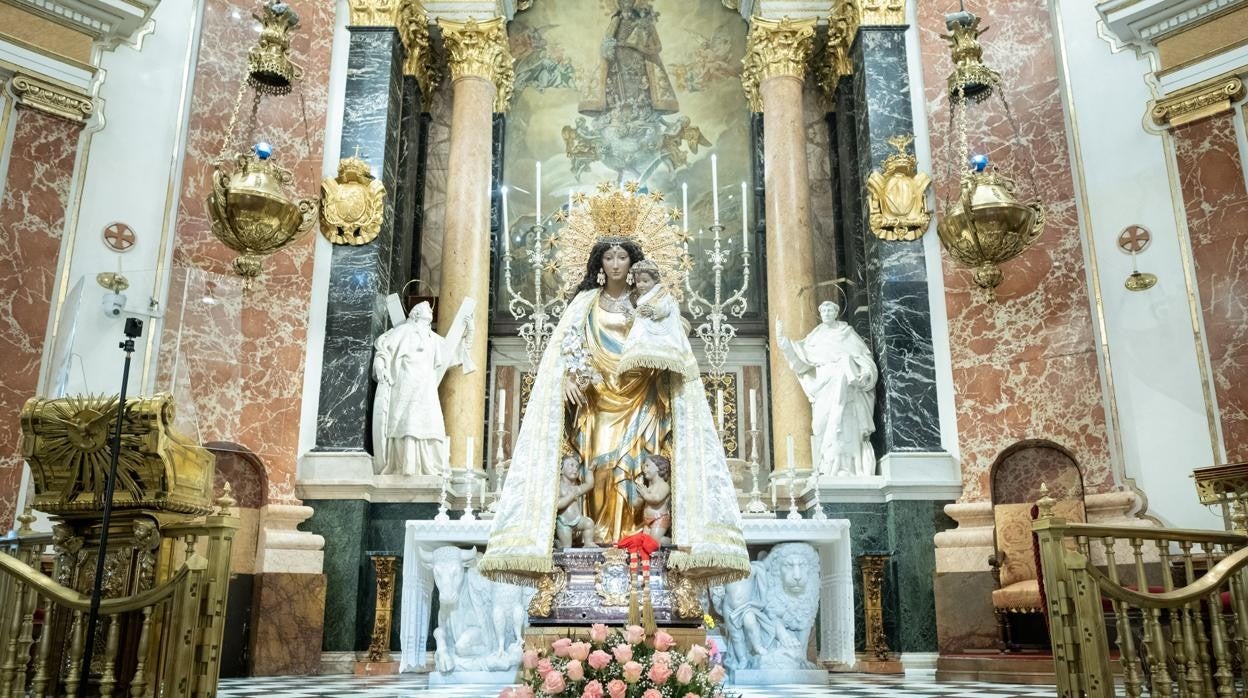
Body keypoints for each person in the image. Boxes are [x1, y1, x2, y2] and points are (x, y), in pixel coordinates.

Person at [480, 189, 748, 586]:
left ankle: (634, 541)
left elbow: (673, 340)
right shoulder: (585, 302)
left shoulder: (649, 302)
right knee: (600, 469)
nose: (617, 263)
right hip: (595, 399)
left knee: (638, 471)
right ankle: (597, 542)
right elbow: (565, 349)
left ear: (634, 262)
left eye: (624, 256)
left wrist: (666, 326)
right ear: (599, 263)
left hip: (642, 398)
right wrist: (568, 377)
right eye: (609, 256)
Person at [371, 301, 473, 476]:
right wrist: (380, 364)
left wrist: (469, 332)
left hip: (425, 387)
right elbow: (383, 349)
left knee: (429, 421)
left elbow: (455, 353)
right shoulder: (403, 331)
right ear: (416, 314)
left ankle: (429, 465)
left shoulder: (432, 337)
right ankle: (403, 464)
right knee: (406, 420)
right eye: (426, 308)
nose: (430, 310)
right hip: (405, 382)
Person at [777, 301, 877, 476]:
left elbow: (865, 358)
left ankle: (846, 467)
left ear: (836, 312)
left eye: (830, 309)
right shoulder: (815, 337)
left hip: (846, 388)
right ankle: (828, 465)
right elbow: (801, 360)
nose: (826, 313)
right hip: (824, 387)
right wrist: (783, 341)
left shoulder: (847, 333)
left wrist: (866, 372)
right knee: (821, 424)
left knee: (844, 425)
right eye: (823, 310)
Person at [578, 0, 679, 116]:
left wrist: (639, 41)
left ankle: (641, 107)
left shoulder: (642, 22)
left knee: (638, 82)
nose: (627, 5)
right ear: (619, 5)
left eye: (629, 3)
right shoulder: (615, 21)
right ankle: (618, 107)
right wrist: (610, 48)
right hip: (618, 57)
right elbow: (607, 41)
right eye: (623, 3)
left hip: (637, 58)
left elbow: (653, 43)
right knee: (618, 81)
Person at [617, 259, 696, 381]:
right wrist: (631, 316)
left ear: (655, 280)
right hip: (644, 337)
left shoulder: (661, 293)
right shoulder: (641, 298)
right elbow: (638, 317)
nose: (641, 285)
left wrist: (654, 311)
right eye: (638, 281)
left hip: (659, 337)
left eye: (645, 281)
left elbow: (666, 306)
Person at [555, 454, 595, 548]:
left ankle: (588, 543)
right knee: (566, 546)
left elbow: (589, 485)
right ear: (561, 469)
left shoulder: (576, 488)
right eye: (571, 465)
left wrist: (590, 471)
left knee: (589, 523)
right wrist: (569, 497)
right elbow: (557, 505)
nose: (575, 469)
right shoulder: (558, 487)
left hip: (578, 520)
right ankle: (557, 543)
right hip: (564, 522)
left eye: (577, 466)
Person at [636, 455, 671, 544]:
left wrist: (644, 493)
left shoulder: (664, 485)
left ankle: (672, 541)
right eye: (644, 466)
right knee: (644, 542)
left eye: (647, 466)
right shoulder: (649, 487)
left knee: (654, 541)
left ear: (658, 468)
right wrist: (640, 497)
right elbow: (636, 505)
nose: (644, 469)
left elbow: (656, 499)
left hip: (659, 519)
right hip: (647, 521)